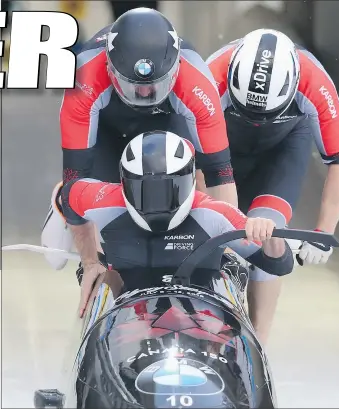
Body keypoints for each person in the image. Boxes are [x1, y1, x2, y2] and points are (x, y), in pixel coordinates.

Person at [41, 8, 238, 272]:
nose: (144, 94)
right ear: (109, 69)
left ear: (175, 68)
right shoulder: (83, 78)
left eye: (154, 85)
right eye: (134, 86)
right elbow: (78, 178)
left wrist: (222, 254)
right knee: (80, 253)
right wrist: (90, 262)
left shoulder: (196, 82)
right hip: (107, 129)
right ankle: (59, 201)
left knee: (196, 181)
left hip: (168, 121)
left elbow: (219, 174)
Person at [60, 131, 294, 336]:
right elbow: (68, 195)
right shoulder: (104, 200)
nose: (158, 202)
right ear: (125, 184)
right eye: (146, 191)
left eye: (169, 190)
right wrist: (90, 260)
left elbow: (277, 264)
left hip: (202, 320)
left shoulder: (215, 214)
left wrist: (271, 236)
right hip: (125, 316)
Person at [204, 28, 339, 344]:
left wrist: (323, 232)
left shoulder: (315, 84)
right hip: (220, 149)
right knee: (211, 227)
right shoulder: (209, 76)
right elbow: (182, 152)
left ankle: (259, 343)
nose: (257, 118)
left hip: (282, 150)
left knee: (268, 235)